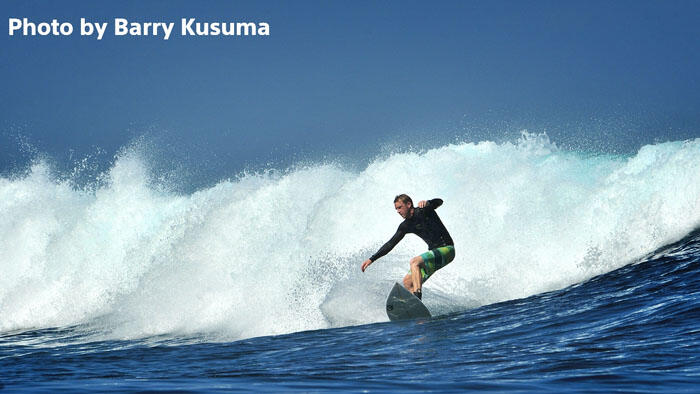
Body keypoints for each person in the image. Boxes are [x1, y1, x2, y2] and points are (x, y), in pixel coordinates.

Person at [361, 194, 455, 300]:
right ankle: (416, 306)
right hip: (435, 254)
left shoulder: (423, 210)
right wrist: (372, 259)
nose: (398, 211)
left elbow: (439, 201)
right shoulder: (405, 226)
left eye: (400, 207)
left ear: (409, 204)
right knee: (408, 282)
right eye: (396, 209)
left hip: (447, 250)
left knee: (415, 262)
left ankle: (417, 296)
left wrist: (428, 202)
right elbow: (390, 244)